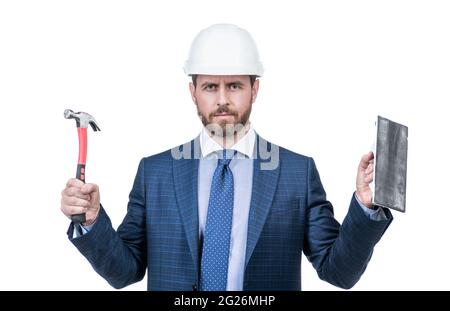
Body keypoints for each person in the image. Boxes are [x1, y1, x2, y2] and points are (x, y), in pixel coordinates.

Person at [60, 23, 392, 291]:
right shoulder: (155, 172)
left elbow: (338, 272)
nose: (222, 100)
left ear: (255, 89)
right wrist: (91, 221)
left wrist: (364, 206)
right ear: (193, 93)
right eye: (209, 87)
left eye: (234, 86)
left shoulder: (296, 172)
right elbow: (125, 271)